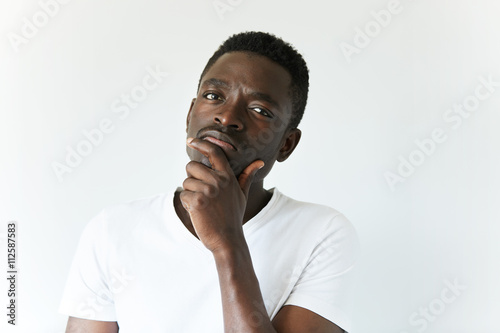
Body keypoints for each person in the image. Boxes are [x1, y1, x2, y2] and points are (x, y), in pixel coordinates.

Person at [60, 31, 359, 333]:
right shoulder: (112, 229)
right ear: (190, 114)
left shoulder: (323, 234)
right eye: (214, 96)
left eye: (259, 110)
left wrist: (227, 242)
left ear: (286, 144)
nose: (227, 117)